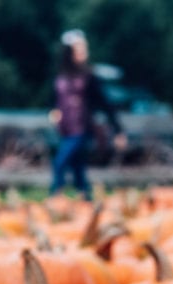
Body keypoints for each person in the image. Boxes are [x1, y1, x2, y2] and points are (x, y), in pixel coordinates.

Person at [49, 29, 127, 201]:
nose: (84, 53)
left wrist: (118, 130)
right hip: (65, 129)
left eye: (84, 49)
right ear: (69, 52)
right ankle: (87, 203)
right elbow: (55, 100)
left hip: (81, 128)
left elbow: (106, 104)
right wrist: (54, 111)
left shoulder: (89, 76)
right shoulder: (61, 77)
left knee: (59, 163)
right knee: (78, 170)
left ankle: (55, 200)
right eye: (79, 49)